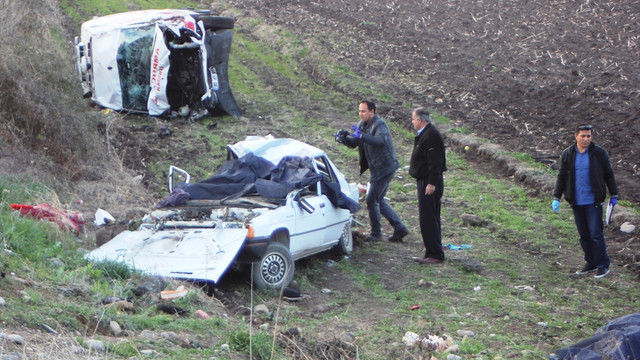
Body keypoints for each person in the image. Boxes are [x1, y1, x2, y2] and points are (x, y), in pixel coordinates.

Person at [335, 100, 409, 242]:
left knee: (371, 200)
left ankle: (376, 233)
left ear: (372, 112)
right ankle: (400, 228)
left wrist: (362, 136)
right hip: (377, 168)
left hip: (385, 168)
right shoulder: (362, 124)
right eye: (359, 111)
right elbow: (355, 143)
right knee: (378, 200)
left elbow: (380, 141)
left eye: (363, 111)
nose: (361, 114)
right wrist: (344, 138)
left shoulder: (380, 125)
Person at [552, 124, 618, 279]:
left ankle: (603, 264)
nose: (586, 139)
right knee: (584, 235)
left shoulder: (599, 153)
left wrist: (614, 194)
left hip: (593, 200)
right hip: (576, 200)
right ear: (576, 136)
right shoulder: (568, 154)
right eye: (583, 136)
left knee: (596, 234)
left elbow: (608, 173)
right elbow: (562, 176)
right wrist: (557, 197)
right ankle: (591, 262)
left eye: (588, 136)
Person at [408, 107, 447, 264]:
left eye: (413, 119)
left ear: (419, 120)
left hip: (429, 183)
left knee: (429, 219)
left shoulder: (430, 135)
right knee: (428, 218)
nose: (412, 122)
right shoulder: (426, 134)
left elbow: (434, 162)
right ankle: (430, 251)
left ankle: (435, 254)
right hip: (425, 181)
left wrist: (431, 183)